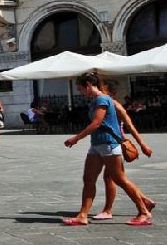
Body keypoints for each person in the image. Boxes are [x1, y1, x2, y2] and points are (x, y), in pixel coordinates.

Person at [62, 72, 152, 227]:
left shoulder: (103, 99)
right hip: (97, 145)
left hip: (109, 144)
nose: (80, 91)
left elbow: (97, 123)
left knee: (119, 179)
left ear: (89, 85)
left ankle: (144, 211)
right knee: (88, 179)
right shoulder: (95, 101)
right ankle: (82, 215)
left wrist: (76, 138)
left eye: (80, 88)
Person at [92, 80, 155, 221]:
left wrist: (143, 144)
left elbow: (130, 126)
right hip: (112, 143)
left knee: (116, 178)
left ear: (111, 93)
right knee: (116, 177)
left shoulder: (114, 105)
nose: (100, 92)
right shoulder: (103, 104)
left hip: (115, 144)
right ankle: (145, 200)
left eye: (103, 90)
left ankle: (108, 210)